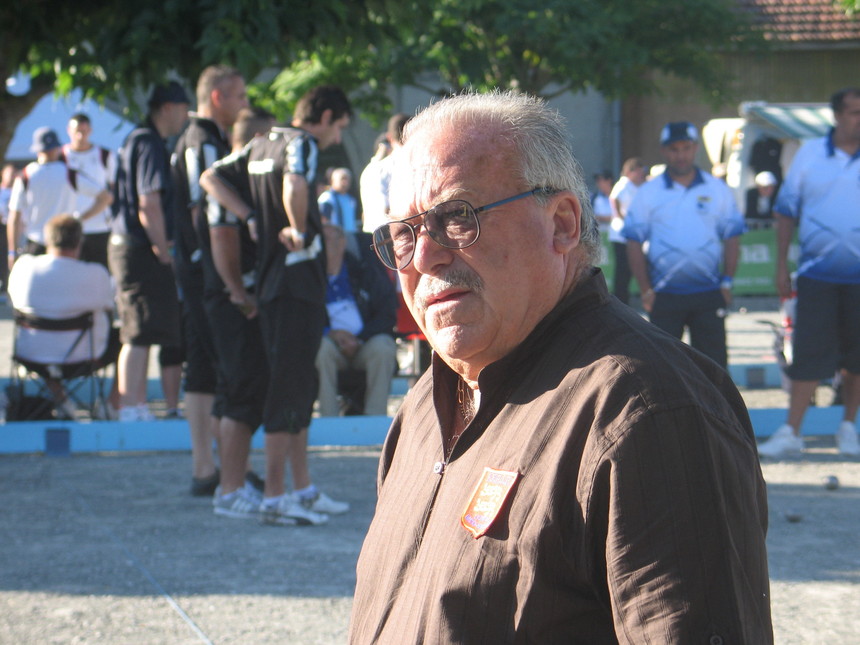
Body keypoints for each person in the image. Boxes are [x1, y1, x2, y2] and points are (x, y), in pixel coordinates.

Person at [349, 91, 772, 643]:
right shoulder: (425, 405)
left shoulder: (647, 410)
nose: (424, 257)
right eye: (403, 233)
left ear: (563, 224)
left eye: (457, 217)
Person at [201, 85, 353, 525]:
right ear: (324, 116)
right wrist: (296, 228)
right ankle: (273, 496)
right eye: (339, 127)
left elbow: (210, 177)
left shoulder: (259, 143)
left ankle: (301, 488)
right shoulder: (299, 143)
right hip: (294, 283)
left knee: (298, 387)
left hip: (274, 285)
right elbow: (295, 182)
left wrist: (250, 216)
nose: (338, 138)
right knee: (287, 389)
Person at [758, 87, 860, 458]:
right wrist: (781, 264)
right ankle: (792, 431)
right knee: (806, 353)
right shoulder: (810, 155)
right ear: (836, 116)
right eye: (853, 112)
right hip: (817, 273)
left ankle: (848, 426)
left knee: (857, 357)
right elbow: (786, 211)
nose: (858, 119)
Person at [171, 65, 249, 495]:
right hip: (206, 271)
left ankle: (209, 467)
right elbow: (203, 210)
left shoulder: (189, 138)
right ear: (218, 97)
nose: (245, 105)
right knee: (221, 367)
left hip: (192, 267)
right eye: (239, 96)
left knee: (201, 367)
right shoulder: (203, 142)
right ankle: (225, 466)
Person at [198, 106, 275, 517]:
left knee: (235, 392)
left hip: (232, 300)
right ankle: (229, 489)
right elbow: (222, 239)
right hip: (232, 303)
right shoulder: (229, 183)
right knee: (241, 392)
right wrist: (237, 292)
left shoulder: (235, 182)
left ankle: (234, 481)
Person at [623, 121, 745, 369]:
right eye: (674, 149)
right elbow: (633, 241)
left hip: (708, 293)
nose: (681, 155)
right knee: (661, 368)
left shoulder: (717, 188)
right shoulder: (649, 192)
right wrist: (646, 289)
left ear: (695, 148)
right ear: (664, 151)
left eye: (686, 148)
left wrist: (727, 282)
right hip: (664, 295)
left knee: (714, 369)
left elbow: (732, 236)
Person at [109, 81, 189, 422]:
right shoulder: (148, 142)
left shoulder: (139, 139)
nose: (187, 116)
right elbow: (149, 201)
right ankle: (131, 407)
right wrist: (162, 248)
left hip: (134, 247)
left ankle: (135, 404)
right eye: (185, 109)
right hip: (138, 249)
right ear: (168, 107)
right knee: (137, 331)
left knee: (143, 329)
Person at [8, 214, 117, 416]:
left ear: (47, 239)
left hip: (32, 356)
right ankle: (111, 404)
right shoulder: (95, 273)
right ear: (79, 241)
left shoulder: (23, 267)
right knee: (127, 338)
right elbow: (108, 306)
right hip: (85, 357)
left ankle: (62, 399)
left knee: (47, 339)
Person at [315, 224, 397, 416]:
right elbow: (302, 318)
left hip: (365, 342)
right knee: (320, 348)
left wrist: (359, 339)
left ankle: (375, 417)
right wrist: (331, 334)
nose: (322, 246)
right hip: (332, 346)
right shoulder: (311, 276)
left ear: (342, 242)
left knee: (384, 347)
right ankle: (328, 418)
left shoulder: (365, 269)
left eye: (327, 240)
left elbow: (387, 313)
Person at [7, 127, 112, 265]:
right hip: (65, 244)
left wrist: (12, 251)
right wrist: (79, 219)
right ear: (57, 148)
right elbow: (106, 197)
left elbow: (14, 217)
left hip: (36, 242)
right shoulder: (70, 174)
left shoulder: (26, 176)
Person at [62, 113, 118, 267]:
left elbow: (113, 190)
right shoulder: (61, 156)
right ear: (69, 131)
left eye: (84, 131)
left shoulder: (105, 155)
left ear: (90, 130)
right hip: (70, 227)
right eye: (77, 132)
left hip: (99, 226)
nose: (80, 136)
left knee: (101, 269)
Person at [360, 113, 410, 234]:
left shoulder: (372, 168)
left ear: (389, 137)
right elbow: (388, 209)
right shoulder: (411, 165)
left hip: (370, 237)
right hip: (395, 235)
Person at [608, 157, 646, 305]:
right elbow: (614, 198)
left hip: (627, 234)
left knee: (628, 270)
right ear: (631, 171)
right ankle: (620, 301)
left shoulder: (634, 185)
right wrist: (619, 215)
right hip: (620, 234)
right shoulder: (623, 184)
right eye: (638, 171)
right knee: (623, 270)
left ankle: (624, 300)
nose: (641, 174)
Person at [317, 167, 358, 232]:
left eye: (348, 179)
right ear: (333, 180)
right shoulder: (327, 197)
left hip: (351, 235)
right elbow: (323, 220)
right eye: (342, 179)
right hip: (334, 237)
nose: (345, 182)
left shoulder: (351, 199)